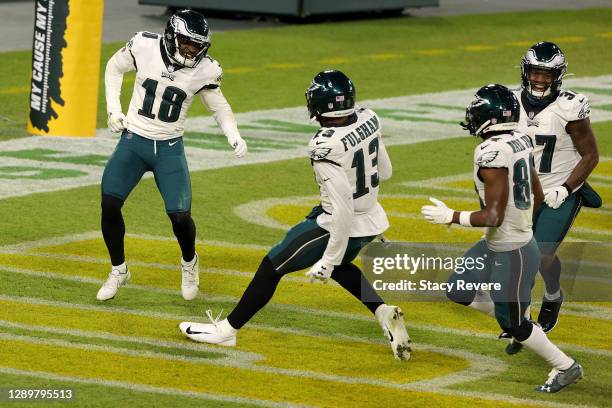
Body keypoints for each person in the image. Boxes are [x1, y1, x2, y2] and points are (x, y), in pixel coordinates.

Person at [179, 70, 412, 360]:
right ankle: (383, 312)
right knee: (342, 266)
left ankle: (227, 330)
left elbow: (342, 211)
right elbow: (385, 172)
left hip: (339, 222)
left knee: (272, 266)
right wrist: (365, 216)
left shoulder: (325, 145)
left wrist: (326, 260)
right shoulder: (368, 117)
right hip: (370, 216)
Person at [421, 84, 583, 392]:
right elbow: (535, 190)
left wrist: (452, 216)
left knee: (516, 326)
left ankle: (565, 365)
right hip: (502, 242)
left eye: (477, 110)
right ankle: (514, 315)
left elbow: (493, 216)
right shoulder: (520, 139)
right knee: (458, 289)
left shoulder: (491, 151)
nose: (472, 115)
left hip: (512, 250)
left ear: (490, 117)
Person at [97, 9, 247, 302]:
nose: (192, 49)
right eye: (187, 42)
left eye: (197, 45)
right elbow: (114, 67)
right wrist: (114, 109)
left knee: (180, 217)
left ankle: (190, 262)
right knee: (109, 203)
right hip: (133, 140)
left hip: (168, 147)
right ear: (171, 36)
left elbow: (219, 106)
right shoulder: (143, 44)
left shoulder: (206, 69)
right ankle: (119, 269)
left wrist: (233, 133)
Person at [514, 41, 600, 332]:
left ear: (558, 76)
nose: (539, 79)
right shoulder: (511, 102)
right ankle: (521, 320)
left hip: (559, 193)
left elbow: (591, 155)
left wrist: (565, 188)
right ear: (525, 71)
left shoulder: (569, 106)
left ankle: (552, 295)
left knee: (542, 254)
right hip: (524, 193)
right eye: (535, 72)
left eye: (546, 74)